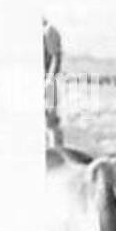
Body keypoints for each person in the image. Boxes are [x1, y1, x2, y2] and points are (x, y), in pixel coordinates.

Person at [44, 18, 63, 146]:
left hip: (48, 81)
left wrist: (49, 82)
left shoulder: (49, 30)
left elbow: (57, 58)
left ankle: (57, 150)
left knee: (50, 121)